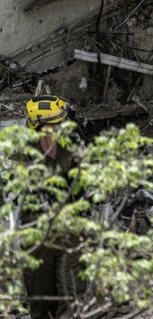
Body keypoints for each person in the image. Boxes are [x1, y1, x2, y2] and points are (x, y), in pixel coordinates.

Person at [23, 95, 85, 319]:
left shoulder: (75, 147)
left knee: (72, 295)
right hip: (38, 238)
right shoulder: (21, 156)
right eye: (57, 124)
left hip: (71, 231)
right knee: (41, 298)